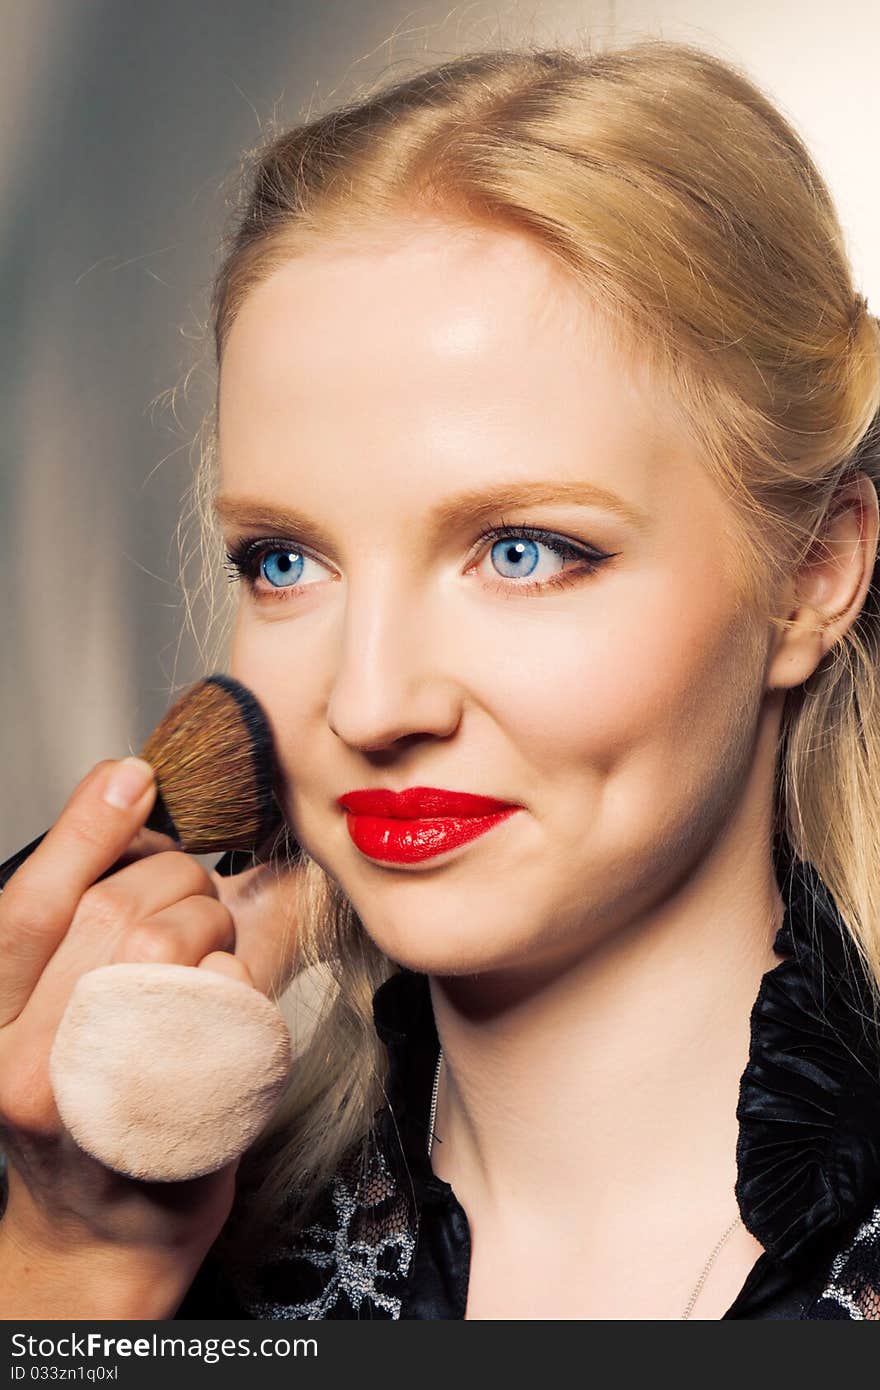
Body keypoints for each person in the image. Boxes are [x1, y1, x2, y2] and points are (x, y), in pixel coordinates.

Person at [2, 37, 880, 1321]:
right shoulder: (146, 1248)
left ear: (812, 572)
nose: (366, 704)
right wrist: (80, 1267)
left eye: (521, 552)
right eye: (287, 560)